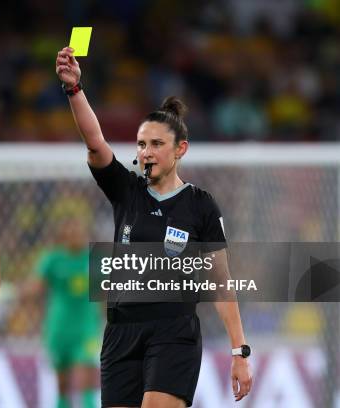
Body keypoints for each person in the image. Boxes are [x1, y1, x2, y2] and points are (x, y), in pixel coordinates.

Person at [56, 47, 253, 408]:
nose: (146, 152)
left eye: (157, 144)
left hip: (173, 332)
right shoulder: (125, 191)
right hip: (120, 334)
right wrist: (74, 89)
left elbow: (221, 282)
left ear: (181, 150)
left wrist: (239, 351)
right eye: (142, 144)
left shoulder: (199, 204)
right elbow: (95, 142)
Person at [26, 214, 102, 408]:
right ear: (63, 235)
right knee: (63, 385)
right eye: (71, 230)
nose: (76, 234)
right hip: (58, 330)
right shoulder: (52, 260)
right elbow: (35, 288)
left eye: (79, 230)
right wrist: (24, 292)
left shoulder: (95, 259)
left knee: (87, 378)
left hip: (86, 329)